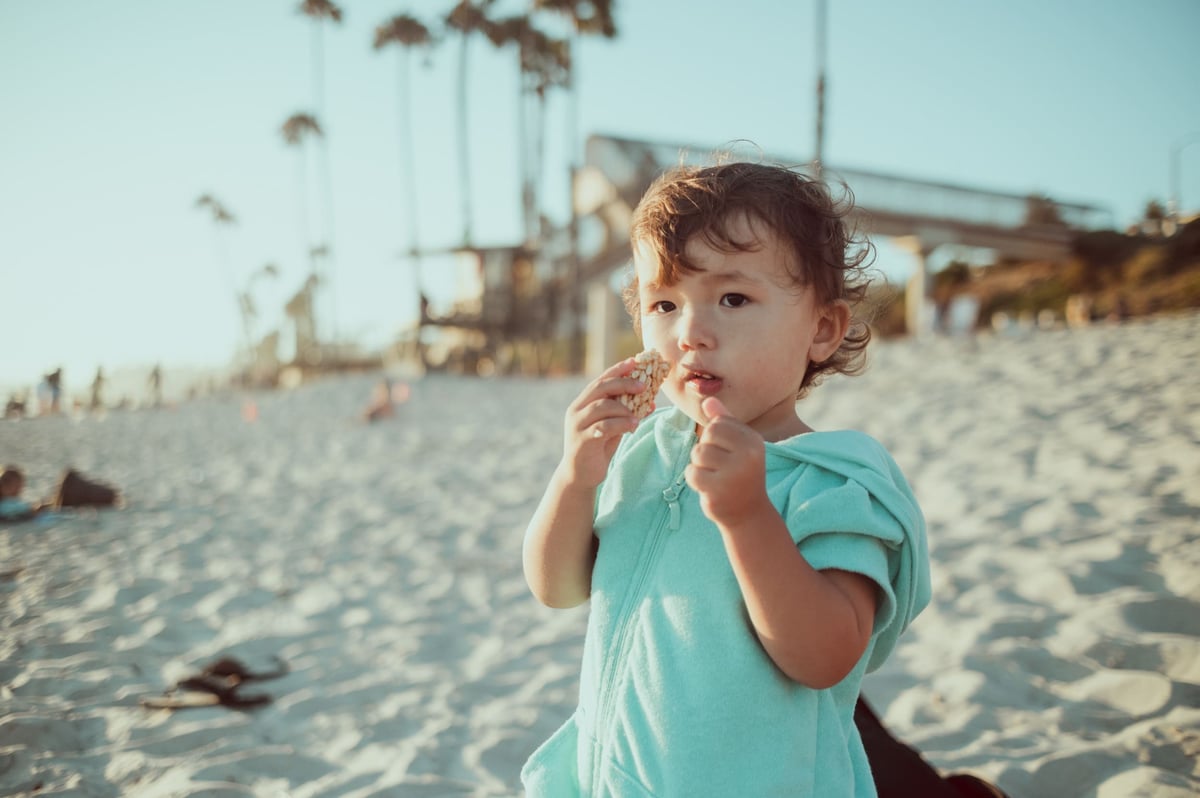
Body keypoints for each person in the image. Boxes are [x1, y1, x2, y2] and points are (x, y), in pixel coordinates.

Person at [521, 160, 932, 797]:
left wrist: (747, 518)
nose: (690, 333)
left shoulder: (832, 481)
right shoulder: (643, 453)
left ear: (822, 328)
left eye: (733, 298)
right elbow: (557, 587)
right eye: (664, 303)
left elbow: (826, 657)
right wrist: (575, 478)